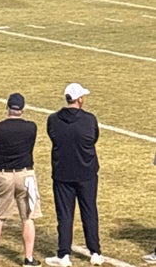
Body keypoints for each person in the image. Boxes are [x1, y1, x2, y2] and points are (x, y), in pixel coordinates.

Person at [0, 93, 41, 267]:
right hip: (25, 174)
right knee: (28, 218)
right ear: (22, 109)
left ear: (7, 107)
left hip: (4, 175)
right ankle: (29, 258)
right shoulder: (30, 127)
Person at [45, 84, 104, 267]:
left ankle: (64, 254)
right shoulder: (89, 120)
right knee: (90, 212)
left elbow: (54, 137)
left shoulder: (53, 120)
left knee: (64, 215)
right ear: (79, 99)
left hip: (63, 173)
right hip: (86, 173)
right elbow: (93, 138)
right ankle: (95, 252)